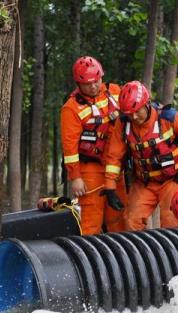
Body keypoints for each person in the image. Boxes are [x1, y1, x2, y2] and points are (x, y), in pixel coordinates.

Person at [101, 81, 178, 230]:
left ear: (147, 104)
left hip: (173, 180)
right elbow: (114, 156)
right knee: (131, 219)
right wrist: (110, 187)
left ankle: (172, 252)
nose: (134, 117)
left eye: (137, 111)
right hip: (145, 182)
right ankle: (140, 253)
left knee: (172, 220)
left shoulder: (168, 118)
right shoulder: (124, 124)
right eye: (129, 114)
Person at [59, 56, 127, 235]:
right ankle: (90, 260)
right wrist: (75, 177)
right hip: (90, 170)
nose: (94, 86)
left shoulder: (115, 92)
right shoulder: (71, 108)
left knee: (119, 218)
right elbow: (69, 147)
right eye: (88, 84)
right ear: (78, 84)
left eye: (96, 81)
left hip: (116, 168)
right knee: (91, 221)